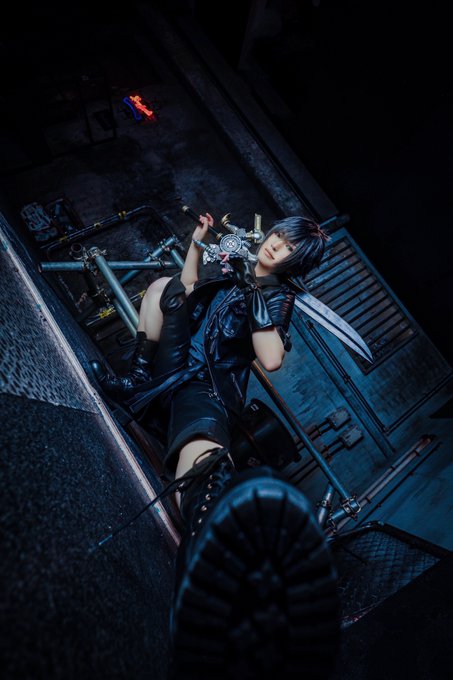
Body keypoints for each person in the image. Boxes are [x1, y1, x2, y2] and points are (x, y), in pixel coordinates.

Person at [91, 212, 340, 679]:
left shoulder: (279, 296)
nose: (277, 245)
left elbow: (271, 358)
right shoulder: (233, 264)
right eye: (279, 236)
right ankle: (136, 379)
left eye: (289, 247)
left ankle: (211, 590)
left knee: (205, 475)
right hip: (173, 366)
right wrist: (197, 242)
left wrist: (252, 289)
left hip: (206, 389)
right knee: (164, 286)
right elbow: (186, 290)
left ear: (297, 261)